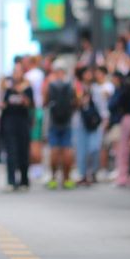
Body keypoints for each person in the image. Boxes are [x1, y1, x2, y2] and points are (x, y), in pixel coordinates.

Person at [0, 63, 33, 190]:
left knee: (23, 151)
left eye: (19, 72)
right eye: (14, 72)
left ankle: (24, 180)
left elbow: (30, 104)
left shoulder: (27, 87)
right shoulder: (8, 87)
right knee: (11, 151)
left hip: (22, 122)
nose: (16, 74)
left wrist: (21, 92)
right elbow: (1, 103)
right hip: (9, 121)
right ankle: (11, 181)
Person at [45, 61, 76, 190]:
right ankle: (67, 179)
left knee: (54, 151)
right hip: (67, 122)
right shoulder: (71, 85)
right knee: (67, 151)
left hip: (54, 122)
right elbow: (75, 102)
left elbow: (45, 102)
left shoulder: (50, 85)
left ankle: (53, 178)